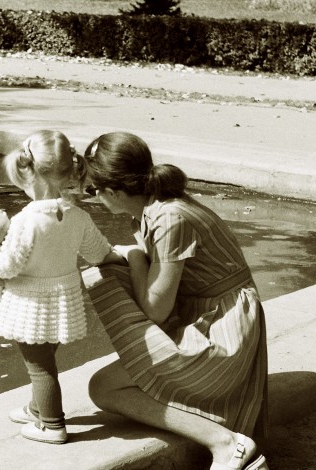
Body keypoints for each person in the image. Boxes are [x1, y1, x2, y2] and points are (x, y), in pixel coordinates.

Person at [81, 131, 268, 469]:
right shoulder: (153, 206)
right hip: (207, 314)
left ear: (114, 192)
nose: (93, 197)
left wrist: (134, 255)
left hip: (224, 331)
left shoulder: (169, 217)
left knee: (104, 388)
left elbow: (155, 310)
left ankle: (226, 443)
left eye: (92, 190)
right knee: (111, 274)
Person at [0, 129, 113, 444]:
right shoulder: (78, 216)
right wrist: (126, 257)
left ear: (29, 175)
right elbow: (99, 253)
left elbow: (8, 266)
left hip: (30, 307)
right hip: (63, 303)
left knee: (40, 368)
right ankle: (37, 408)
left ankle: (51, 424)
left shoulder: (27, 220)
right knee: (45, 358)